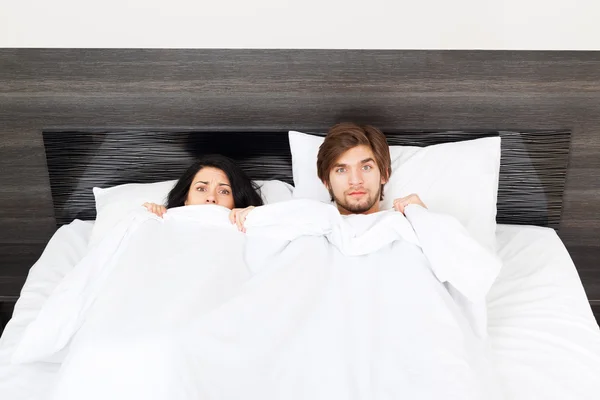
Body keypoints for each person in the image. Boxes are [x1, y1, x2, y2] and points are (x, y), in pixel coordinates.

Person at [316, 122, 427, 216]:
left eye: (366, 167)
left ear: (384, 175)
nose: (355, 181)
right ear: (326, 181)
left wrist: (423, 219)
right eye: (341, 170)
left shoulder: (406, 225)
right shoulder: (309, 225)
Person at [143, 154, 263, 231]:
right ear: (185, 198)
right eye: (201, 189)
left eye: (224, 191)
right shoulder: (162, 222)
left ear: (236, 201)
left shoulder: (249, 227)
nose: (211, 198)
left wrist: (258, 217)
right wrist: (147, 215)